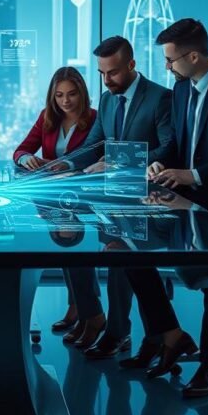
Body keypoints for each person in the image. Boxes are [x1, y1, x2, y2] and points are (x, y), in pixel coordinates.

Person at [119, 18, 208, 399]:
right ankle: (167, 333)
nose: (166, 67)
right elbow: (177, 144)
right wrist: (157, 162)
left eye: (171, 59)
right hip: (187, 200)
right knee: (127, 247)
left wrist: (194, 175)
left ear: (194, 55)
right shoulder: (182, 89)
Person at [57, 36, 174, 360]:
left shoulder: (160, 98)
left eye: (113, 73)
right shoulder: (108, 102)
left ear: (132, 65)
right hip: (112, 201)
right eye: (102, 73)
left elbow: (169, 148)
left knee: (125, 261)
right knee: (114, 260)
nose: (107, 80)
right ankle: (119, 332)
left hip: (147, 202)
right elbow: (94, 145)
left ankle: (139, 336)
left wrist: (122, 161)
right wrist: (65, 165)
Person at [13, 66, 97, 335]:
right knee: (65, 249)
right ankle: (77, 309)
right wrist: (29, 159)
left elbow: (98, 155)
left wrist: (66, 166)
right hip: (52, 198)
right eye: (59, 95)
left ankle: (89, 312)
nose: (65, 101)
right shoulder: (47, 117)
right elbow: (21, 150)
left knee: (78, 251)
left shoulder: (96, 119)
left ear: (82, 93)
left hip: (85, 196)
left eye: (71, 94)